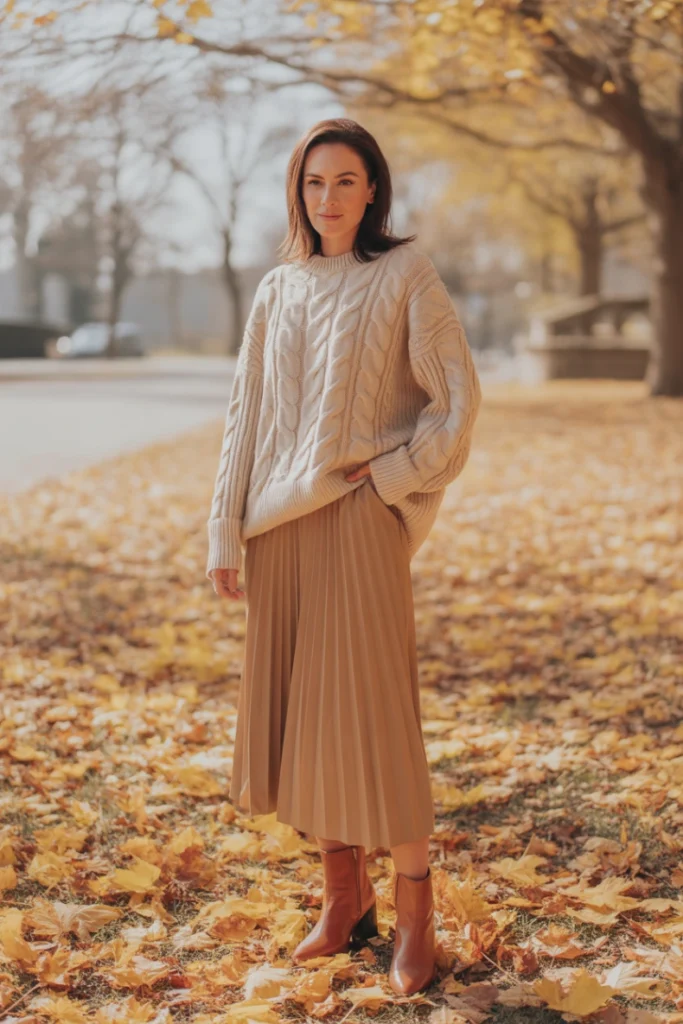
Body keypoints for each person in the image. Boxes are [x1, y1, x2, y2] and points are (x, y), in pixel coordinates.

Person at [206, 117, 481, 994]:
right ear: (299, 191)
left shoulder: (405, 275)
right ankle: (344, 900)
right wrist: (224, 531)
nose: (328, 199)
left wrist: (395, 475)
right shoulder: (278, 287)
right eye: (314, 182)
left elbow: (458, 398)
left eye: (346, 181)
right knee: (302, 724)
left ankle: (415, 920)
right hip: (277, 530)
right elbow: (244, 417)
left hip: (360, 519)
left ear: (373, 191)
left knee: (376, 721)